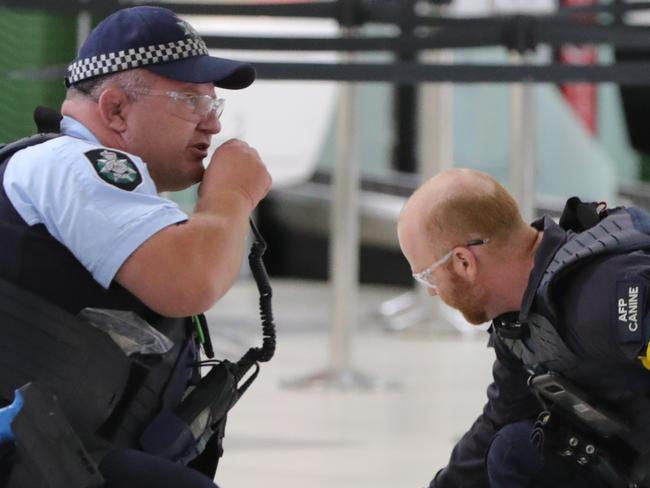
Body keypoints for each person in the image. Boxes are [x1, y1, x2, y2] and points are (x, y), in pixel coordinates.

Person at [0, 5, 271, 488]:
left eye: (213, 105)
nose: (210, 125)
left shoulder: (71, 172)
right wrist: (232, 194)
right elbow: (190, 281)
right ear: (115, 109)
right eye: (190, 101)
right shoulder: (72, 164)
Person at [397, 168, 650, 488]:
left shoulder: (601, 294)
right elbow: (498, 423)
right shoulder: (521, 323)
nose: (432, 291)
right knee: (516, 450)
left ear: (464, 262)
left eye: (429, 277)